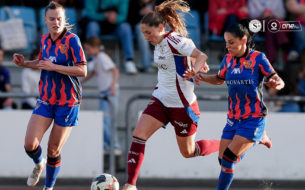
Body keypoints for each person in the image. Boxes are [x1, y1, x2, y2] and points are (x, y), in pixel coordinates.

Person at [122, 1, 220, 190]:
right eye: (143, 33)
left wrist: (196, 69)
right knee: (138, 135)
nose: (146, 37)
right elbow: (186, 55)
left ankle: (225, 144)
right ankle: (130, 185)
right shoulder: (159, 43)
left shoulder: (173, 40)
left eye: (148, 33)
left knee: (189, 152)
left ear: (160, 27)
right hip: (161, 99)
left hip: (182, 106)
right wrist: (192, 62)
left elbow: (201, 56)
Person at [184, 19, 285, 190]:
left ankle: (257, 136)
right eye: (226, 43)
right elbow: (219, 79)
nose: (227, 46)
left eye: (231, 42)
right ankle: (258, 138)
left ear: (243, 40)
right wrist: (201, 77)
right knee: (222, 160)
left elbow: (277, 79)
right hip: (233, 117)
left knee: (229, 158)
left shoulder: (258, 58)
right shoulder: (228, 60)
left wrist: (277, 83)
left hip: (253, 117)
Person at [12, 2, 87, 190]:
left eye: (59, 18)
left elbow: (82, 70)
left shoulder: (72, 40)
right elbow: (42, 62)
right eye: (52, 19)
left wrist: (55, 67)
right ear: (45, 20)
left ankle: (49, 187)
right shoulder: (44, 40)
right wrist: (24, 64)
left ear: (64, 20)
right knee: (30, 144)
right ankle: (39, 163)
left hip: (68, 102)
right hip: (46, 98)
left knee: (53, 150)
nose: (56, 22)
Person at [82, 36, 122, 154]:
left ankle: (114, 146)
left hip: (109, 92)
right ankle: (106, 145)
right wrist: (80, 83)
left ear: (95, 48)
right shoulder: (97, 59)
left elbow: (115, 70)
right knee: (104, 120)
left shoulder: (102, 57)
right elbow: (93, 72)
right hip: (104, 93)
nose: (87, 52)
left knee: (107, 120)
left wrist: (113, 86)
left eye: (88, 49)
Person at [83, 0, 138, 74]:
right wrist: (105, 15)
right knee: (92, 26)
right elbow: (90, 14)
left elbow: (123, 15)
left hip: (115, 24)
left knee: (126, 27)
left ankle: (129, 60)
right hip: (98, 24)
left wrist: (115, 18)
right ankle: (91, 60)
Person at [127, 0, 154, 72]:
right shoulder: (133, 3)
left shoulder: (157, 3)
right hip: (140, 29)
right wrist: (140, 13)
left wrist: (155, 14)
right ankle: (147, 65)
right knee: (141, 29)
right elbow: (129, 20)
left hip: (157, 27)